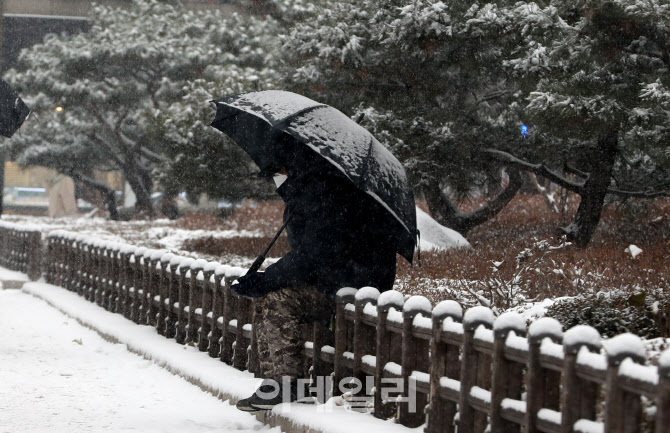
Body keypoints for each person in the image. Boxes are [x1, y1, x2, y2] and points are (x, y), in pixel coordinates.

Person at [232, 164, 398, 411]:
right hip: (335, 281)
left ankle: (287, 384)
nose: (278, 183)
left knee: (279, 300)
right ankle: (273, 382)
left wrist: (266, 279)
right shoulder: (312, 197)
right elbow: (310, 256)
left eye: (281, 175)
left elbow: (311, 256)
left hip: (352, 288)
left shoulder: (328, 200)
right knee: (268, 296)